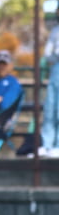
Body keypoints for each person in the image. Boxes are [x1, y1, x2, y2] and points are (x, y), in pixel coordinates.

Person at [39, 9, 59, 158]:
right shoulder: (55, 30)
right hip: (56, 70)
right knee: (50, 109)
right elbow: (48, 53)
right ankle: (47, 144)